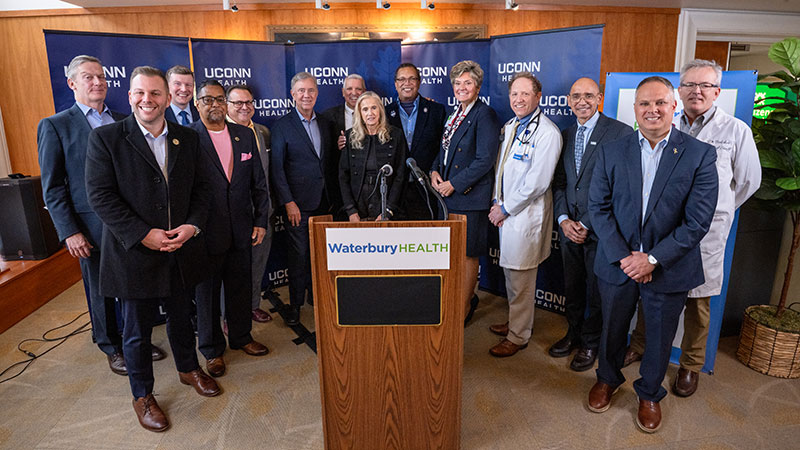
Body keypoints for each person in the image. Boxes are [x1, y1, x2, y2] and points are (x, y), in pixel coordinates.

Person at [85, 66, 220, 432]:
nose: (148, 100)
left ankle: (188, 369)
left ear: (168, 96)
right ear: (129, 97)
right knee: (136, 331)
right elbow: (100, 197)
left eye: (155, 93)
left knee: (182, 317)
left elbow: (203, 190)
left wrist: (192, 226)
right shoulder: (107, 139)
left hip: (180, 248)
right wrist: (143, 234)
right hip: (134, 253)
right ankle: (142, 394)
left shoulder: (188, 138)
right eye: (140, 93)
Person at [586, 76, 717, 433]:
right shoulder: (612, 150)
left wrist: (653, 259)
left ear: (675, 107)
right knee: (612, 328)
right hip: (618, 263)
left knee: (659, 337)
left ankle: (648, 393)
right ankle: (608, 378)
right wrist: (626, 257)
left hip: (668, 266)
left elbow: (697, 221)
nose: (652, 110)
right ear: (635, 109)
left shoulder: (699, 154)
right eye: (644, 104)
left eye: (660, 102)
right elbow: (597, 208)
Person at [625, 59, 761, 396]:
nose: (696, 91)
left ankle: (690, 365)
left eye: (704, 86)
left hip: (706, 236)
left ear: (717, 92)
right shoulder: (666, 123)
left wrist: (716, 211)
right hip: (661, 233)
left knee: (698, 305)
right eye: (689, 85)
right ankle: (640, 345)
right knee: (651, 293)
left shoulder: (735, 131)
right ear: (678, 92)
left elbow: (747, 182)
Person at [37, 55, 166, 376]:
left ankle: (137, 338)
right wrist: (69, 231)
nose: (97, 83)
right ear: (72, 83)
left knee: (135, 284)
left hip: (133, 223)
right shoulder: (55, 126)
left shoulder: (126, 118)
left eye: (101, 77)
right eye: (88, 78)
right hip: (91, 227)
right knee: (101, 289)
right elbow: (52, 187)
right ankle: (110, 345)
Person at [550, 78, 633, 371]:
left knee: (597, 291)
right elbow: (559, 183)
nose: (582, 101)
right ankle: (573, 334)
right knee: (572, 287)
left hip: (601, 231)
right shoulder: (566, 134)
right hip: (568, 228)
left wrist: (585, 223)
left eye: (588, 95)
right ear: (569, 101)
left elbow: (621, 187)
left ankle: (590, 342)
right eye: (576, 96)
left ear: (599, 97)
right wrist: (563, 220)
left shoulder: (620, 133)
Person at [190, 80, 270, 378]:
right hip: (205, 234)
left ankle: (241, 337)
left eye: (220, 99)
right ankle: (211, 351)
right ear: (197, 104)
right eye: (207, 99)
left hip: (242, 229)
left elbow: (258, 184)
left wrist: (260, 221)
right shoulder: (188, 138)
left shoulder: (244, 135)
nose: (214, 105)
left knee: (240, 288)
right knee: (207, 295)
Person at [487, 72, 562, 357]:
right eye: (514, 94)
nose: (518, 99)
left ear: (538, 97)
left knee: (521, 281)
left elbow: (537, 182)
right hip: (505, 211)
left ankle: (519, 336)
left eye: (525, 94)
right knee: (512, 277)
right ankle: (516, 322)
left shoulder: (547, 133)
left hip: (523, 217)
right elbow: (501, 170)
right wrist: (497, 202)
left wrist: (505, 208)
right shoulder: (511, 126)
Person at [431, 60, 500, 325]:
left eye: (467, 83)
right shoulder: (454, 114)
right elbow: (445, 150)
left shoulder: (485, 114)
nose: (462, 87)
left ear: (478, 86)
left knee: (468, 255)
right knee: (450, 254)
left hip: (469, 198)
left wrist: (454, 184)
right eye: (458, 83)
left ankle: (464, 307)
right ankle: (455, 300)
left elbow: (485, 159)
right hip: (447, 196)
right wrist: (435, 171)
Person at [270, 72, 339, 326]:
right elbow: (277, 169)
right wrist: (288, 202)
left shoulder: (326, 123)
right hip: (297, 205)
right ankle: (295, 305)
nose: (306, 95)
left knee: (322, 255)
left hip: (326, 202)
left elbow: (329, 162)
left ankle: (317, 297)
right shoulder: (282, 126)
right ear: (293, 94)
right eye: (301, 91)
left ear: (317, 93)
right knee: (299, 257)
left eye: (311, 90)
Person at [226, 83, 275, 323]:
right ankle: (228, 316)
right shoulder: (219, 132)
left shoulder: (263, 131)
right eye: (238, 103)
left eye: (248, 103)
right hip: (234, 216)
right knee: (231, 271)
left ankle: (253, 304)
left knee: (258, 264)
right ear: (227, 105)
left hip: (263, 212)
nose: (244, 107)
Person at [385, 63, 446, 220]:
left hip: (426, 189)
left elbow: (443, 146)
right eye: (402, 79)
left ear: (419, 82)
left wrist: (433, 170)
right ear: (396, 84)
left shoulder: (437, 111)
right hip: (394, 191)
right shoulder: (384, 113)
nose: (407, 83)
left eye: (412, 79)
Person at [339, 91, 407, 221]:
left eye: (374, 108)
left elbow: (400, 175)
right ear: (360, 114)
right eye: (365, 109)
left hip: (386, 205)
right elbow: (343, 176)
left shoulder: (396, 135)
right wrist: (351, 211)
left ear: (380, 110)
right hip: (357, 207)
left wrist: (388, 210)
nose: (370, 113)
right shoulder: (349, 137)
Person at [322, 73, 366, 151]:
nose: (354, 93)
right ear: (343, 92)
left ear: (364, 92)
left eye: (358, 89)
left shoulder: (373, 115)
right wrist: (337, 146)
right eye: (349, 89)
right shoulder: (329, 116)